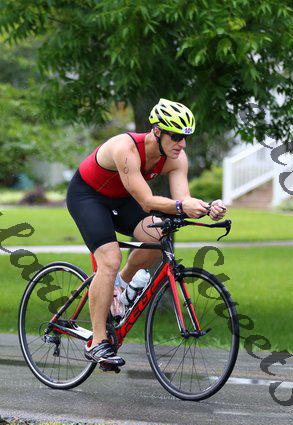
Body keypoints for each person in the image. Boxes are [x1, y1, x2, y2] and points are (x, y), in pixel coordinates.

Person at [66, 98, 227, 367]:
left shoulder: (176, 158)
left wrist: (207, 207)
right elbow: (147, 201)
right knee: (110, 259)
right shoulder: (126, 148)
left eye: (186, 138)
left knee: (157, 236)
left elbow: (182, 199)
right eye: (176, 137)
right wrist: (181, 206)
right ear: (157, 131)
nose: (182, 144)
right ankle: (98, 342)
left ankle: (122, 286)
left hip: (121, 200)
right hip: (88, 197)